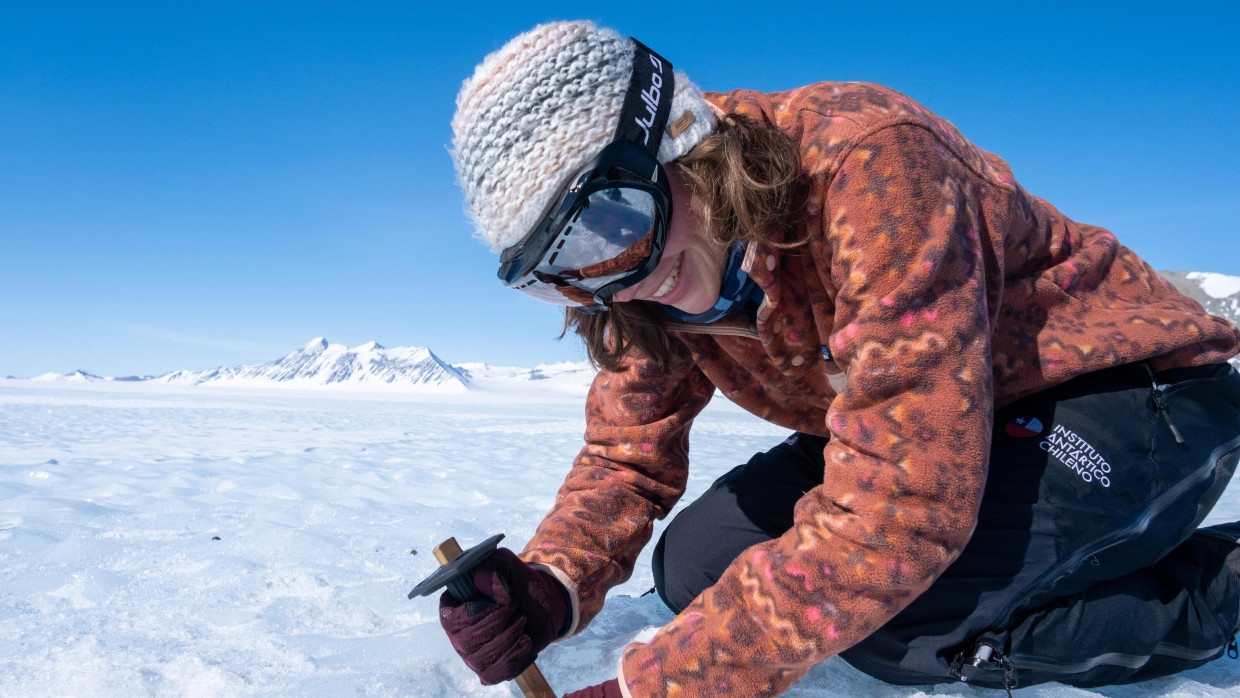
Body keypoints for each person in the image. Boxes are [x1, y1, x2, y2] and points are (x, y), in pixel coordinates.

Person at [440, 20, 1240, 697]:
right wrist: (551, 585)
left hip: (1126, 396)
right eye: (565, 272)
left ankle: (1219, 593)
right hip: (946, 420)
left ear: (677, 138)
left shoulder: (869, 163)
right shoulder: (642, 280)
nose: (618, 277)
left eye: (612, 219)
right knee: (695, 569)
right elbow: (627, 455)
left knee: (900, 621)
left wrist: (668, 684)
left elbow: (903, 506)